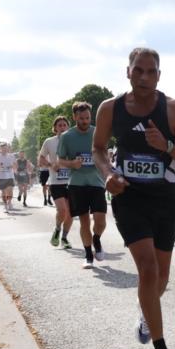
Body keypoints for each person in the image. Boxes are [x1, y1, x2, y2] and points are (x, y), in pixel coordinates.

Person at [93, 47, 175, 349]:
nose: (143, 77)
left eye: (150, 71)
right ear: (128, 72)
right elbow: (97, 149)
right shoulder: (110, 109)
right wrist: (107, 174)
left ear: (158, 75)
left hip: (165, 200)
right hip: (129, 198)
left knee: (161, 278)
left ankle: (145, 316)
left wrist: (165, 147)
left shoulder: (174, 110)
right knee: (148, 269)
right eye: (138, 70)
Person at [57, 102, 107, 268]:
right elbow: (59, 161)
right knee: (84, 221)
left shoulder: (97, 132)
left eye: (87, 118)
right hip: (77, 184)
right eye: (81, 118)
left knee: (100, 221)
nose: (85, 121)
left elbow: (105, 154)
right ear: (74, 117)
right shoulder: (67, 136)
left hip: (97, 182)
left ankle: (97, 239)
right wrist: (72, 164)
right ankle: (88, 256)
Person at [40, 116, 73, 248]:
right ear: (55, 128)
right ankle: (58, 229)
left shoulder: (73, 141)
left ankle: (64, 238)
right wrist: (50, 165)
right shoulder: (49, 141)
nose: (62, 127)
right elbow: (41, 159)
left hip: (72, 181)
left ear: (68, 127)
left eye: (64, 125)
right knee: (62, 210)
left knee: (70, 212)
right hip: (56, 181)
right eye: (59, 125)